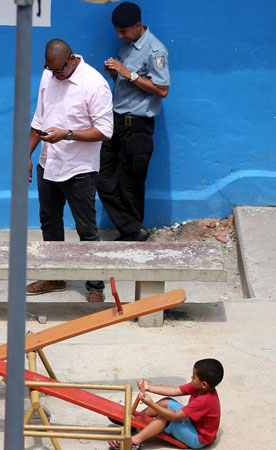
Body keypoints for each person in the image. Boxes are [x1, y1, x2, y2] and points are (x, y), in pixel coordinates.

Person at [25, 39, 113, 303]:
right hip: (48, 162)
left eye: (59, 71)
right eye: (51, 71)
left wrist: (68, 135)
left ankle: (95, 285)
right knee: (49, 223)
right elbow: (39, 119)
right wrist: (25, 155)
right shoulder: (48, 75)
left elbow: (105, 131)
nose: (55, 76)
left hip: (79, 169)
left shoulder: (95, 84)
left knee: (86, 229)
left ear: (72, 59)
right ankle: (55, 276)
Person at [97, 1, 170, 242]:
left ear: (138, 25)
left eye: (123, 31)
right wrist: (116, 74)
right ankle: (132, 230)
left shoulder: (155, 50)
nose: (119, 35)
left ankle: (133, 235)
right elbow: (130, 81)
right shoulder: (127, 44)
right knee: (102, 178)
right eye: (117, 30)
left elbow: (162, 89)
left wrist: (129, 74)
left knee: (131, 184)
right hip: (116, 122)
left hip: (137, 126)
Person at [108, 358, 223, 450]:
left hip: (198, 439)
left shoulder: (204, 400)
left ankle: (135, 441)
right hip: (193, 423)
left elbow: (175, 416)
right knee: (166, 402)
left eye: (194, 377)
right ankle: (134, 422)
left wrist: (151, 403)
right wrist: (149, 388)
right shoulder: (201, 388)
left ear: (204, 384)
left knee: (166, 415)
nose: (191, 378)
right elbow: (175, 390)